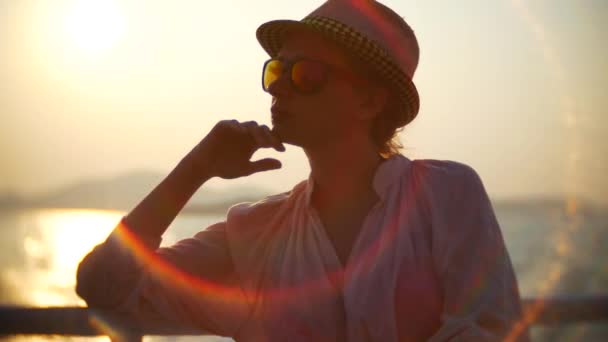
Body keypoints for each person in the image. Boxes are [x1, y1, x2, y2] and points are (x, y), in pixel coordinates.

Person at [76, 0, 529, 341]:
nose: (280, 91)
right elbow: (103, 286)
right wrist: (195, 168)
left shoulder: (446, 194)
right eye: (277, 72)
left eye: (306, 76)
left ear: (370, 102)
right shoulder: (253, 230)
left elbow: (494, 330)